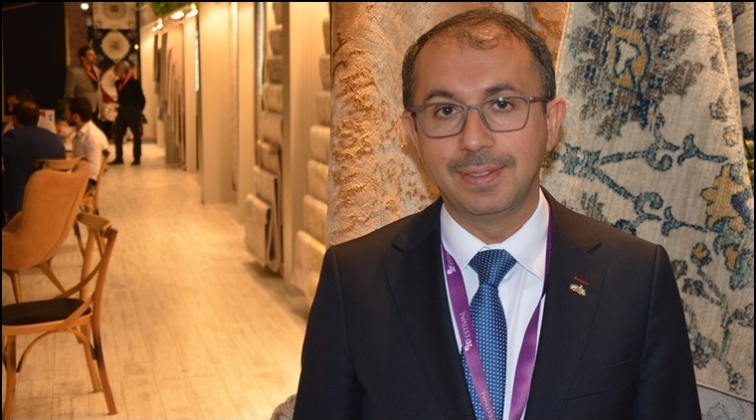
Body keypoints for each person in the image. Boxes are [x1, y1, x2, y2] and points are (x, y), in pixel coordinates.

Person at [294, 9, 701, 420]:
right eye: (445, 110)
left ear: (552, 122)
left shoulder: (635, 279)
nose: (473, 139)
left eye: (502, 104)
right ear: (413, 134)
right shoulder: (354, 282)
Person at [2, 100, 67, 223]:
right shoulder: (56, 140)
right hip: (52, 203)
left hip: (20, 204)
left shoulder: (13, 137)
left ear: (15, 119)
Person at [66, 97, 109, 191]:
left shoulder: (92, 137)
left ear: (76, 117)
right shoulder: (83, 132)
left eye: (67, 114)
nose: (65, 117)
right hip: (79, 178)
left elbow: (93, 174)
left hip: (85, 184)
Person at [64, 46, 105, 137]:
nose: (94, 57)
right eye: (91, 55)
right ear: (83, 58)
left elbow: (98, 90)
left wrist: (102, 107)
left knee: (96, 132)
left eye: (94, 55)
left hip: (96, 106)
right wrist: (70, 109)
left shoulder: (96, 70)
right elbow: (69, 93)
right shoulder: (74, 72)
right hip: (83, 107)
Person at [111, 60, 146, 166]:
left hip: (132, 111)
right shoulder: (117, 83)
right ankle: (119, 157)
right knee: (118, 134)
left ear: (123, 71)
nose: (116, 73)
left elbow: (142, 99)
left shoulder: (134, 83)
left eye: (117, 70)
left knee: (136, 134)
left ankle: (137, 158)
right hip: (122, 110)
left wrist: (138, 110)